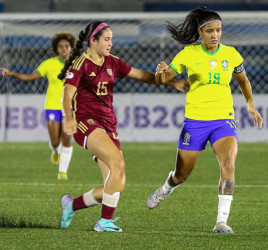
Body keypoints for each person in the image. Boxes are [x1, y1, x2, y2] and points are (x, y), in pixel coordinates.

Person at [58, 21, 189, 232]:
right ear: (93, 40)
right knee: (118, 163)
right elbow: (67, 94)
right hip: (87, 123)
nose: (111, 43)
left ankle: (71, 205)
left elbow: (141, 75)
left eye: (112, 39)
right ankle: (104, 222)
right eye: (107, 39)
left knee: (115, 185)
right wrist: (69, 118)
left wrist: (172, 83)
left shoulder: (112, 62)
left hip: (108, 126)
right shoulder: (81, 63)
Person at [146, 7, 263, 234]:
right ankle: (166, 187)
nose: (215, 35)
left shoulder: (231, 54)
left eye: (218, 30)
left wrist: (251, 105)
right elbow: (163, 78)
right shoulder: (188, 54)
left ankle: (221, 222)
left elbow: (243, 80)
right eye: (210, 31)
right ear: (200, 32)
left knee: (228, 164)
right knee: (182, 175)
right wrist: (161, 73)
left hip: (223, 119)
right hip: (195, 121)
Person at [1, 32, 76, 180]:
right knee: (56, 141)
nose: (63, 49)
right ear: (56, 49)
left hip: (71, 108)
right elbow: (31, 76)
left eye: (66, 46)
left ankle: (62, 173)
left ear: (71, 48)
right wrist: (12, 73)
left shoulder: (78, 65)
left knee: (67, 138)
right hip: (52, 106)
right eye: (60, 47)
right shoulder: (49, 64)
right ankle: (55, 151)